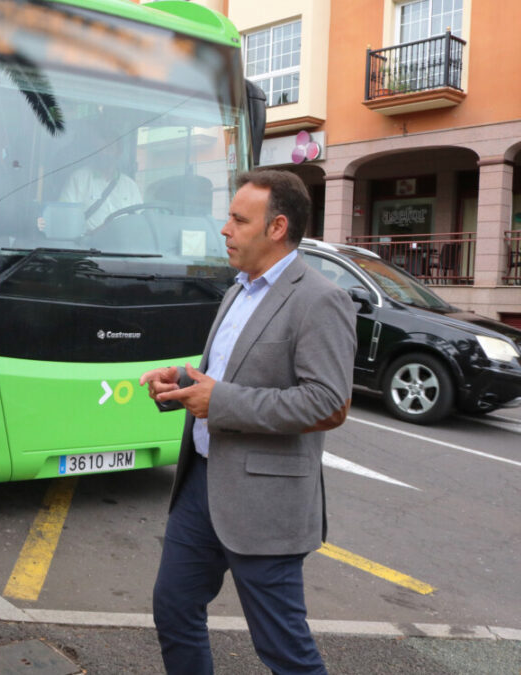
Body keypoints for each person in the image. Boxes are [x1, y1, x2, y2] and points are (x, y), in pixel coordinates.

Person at [140, 170, 356, 675]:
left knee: (284, 650)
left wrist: (221, 401)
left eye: (239, 219)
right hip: (201, 487)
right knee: (173, 609)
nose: (225, 229)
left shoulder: (320, 299)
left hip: (265, 501)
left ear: (277, 227)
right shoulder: (237, 290)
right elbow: (224, 377)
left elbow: (329, 404)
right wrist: (183, 381)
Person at [57, 129, 142, 232]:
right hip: (88, 245)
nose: (104, 153)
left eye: (109, 149)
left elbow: (139, 221)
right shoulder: (78, 179)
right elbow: (64, 218)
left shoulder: (130, 185)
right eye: (100, 149)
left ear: (119, 153)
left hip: (123, 246)